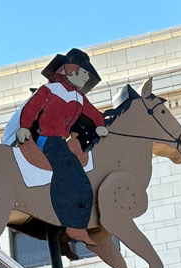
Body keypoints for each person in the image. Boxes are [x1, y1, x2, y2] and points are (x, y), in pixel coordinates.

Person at [16, 48, 108, 246]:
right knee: (71, 176)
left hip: (61, 141)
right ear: (70, 69)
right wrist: (24, 126)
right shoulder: (50, 89)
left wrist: (100, 124)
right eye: (84, 73)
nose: (86, 78)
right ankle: (73, 226)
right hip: (47, 140)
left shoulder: (78, 96)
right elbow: (32, 108)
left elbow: (93, 113)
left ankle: (78, 226)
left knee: (82, 181)